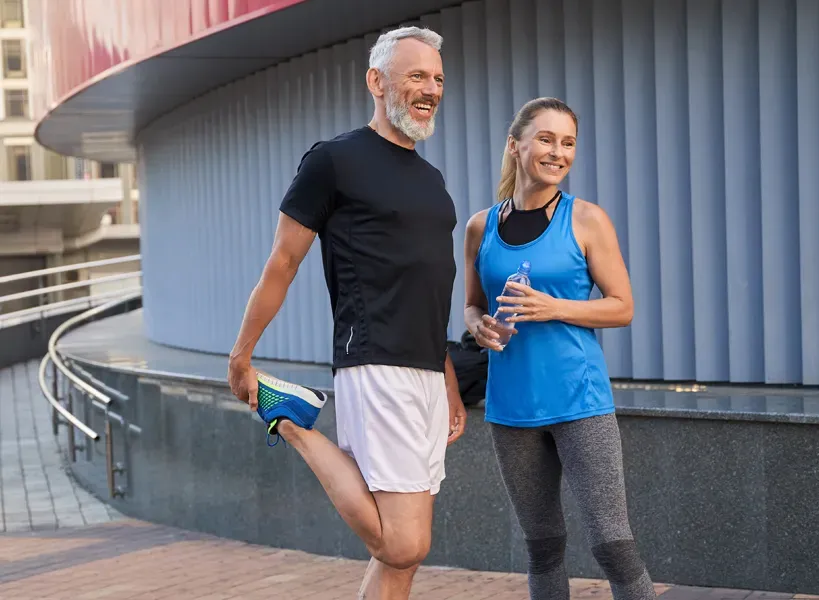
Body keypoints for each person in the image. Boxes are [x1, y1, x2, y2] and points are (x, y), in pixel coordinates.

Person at [227, 26, 467, 600]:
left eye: (437, 78)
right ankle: (287, 418)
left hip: (426, 372)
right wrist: (243, 355)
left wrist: (449, 378)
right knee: (404, 544)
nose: (430, 88)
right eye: (416, 75)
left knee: (397, 564)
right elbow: (282, 263)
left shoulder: (432, 181)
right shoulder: (334, 160)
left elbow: (428, 288)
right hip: (375, 362)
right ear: (376, 82)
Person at [462, 97, 657, 600]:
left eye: (568, 142)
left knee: (613, 544)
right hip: (510, 408)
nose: (558, 152)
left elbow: (622, 307)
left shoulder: (586, 219)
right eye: (546, 139)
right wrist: (479, 326)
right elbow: (470, 305)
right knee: (542, 546)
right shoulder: (481, 226)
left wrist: (555, 307)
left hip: (579, 400)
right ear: (515, 146)